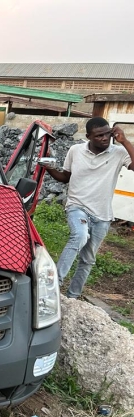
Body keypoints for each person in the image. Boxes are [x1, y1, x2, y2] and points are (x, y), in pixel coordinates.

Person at [40, 117, 134, 298]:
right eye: (99, 136)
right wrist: (48, 168)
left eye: (107, 134)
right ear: (88, 136)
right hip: (78, 206)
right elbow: (65, 177)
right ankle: (53, 286)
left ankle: (72, 296)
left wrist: (125, 141)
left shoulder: (119, 152)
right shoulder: (76, 151)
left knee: (88, 259)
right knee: (80, 235)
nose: (104, 138)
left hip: (102, 215)